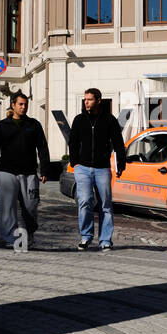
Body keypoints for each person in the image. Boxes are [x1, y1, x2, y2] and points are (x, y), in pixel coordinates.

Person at [0, 91, 50, 249]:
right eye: (20, 104)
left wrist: (45, 170)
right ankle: (11, 238)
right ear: (13, 105)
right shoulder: (2, 126)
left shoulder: (34, 125)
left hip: (29, 173)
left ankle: (30, 235)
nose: (23, 107)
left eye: (25, 104)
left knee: (31, 206)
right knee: (8, 207)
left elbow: (42, 148)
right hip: (7, 172)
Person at [68, 87, 126, 251]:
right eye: (85, 99)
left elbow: (118, 143)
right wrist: (75, 162)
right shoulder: (79, 119)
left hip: (102, 169)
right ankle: (86, 237)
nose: (86, 102)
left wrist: (120, 164)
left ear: (98, 101)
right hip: (83, 168)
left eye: (90, 99)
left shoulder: (109, 120)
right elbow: (73, 142)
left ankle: (105, 240)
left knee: (105, 205)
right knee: (85, 201)